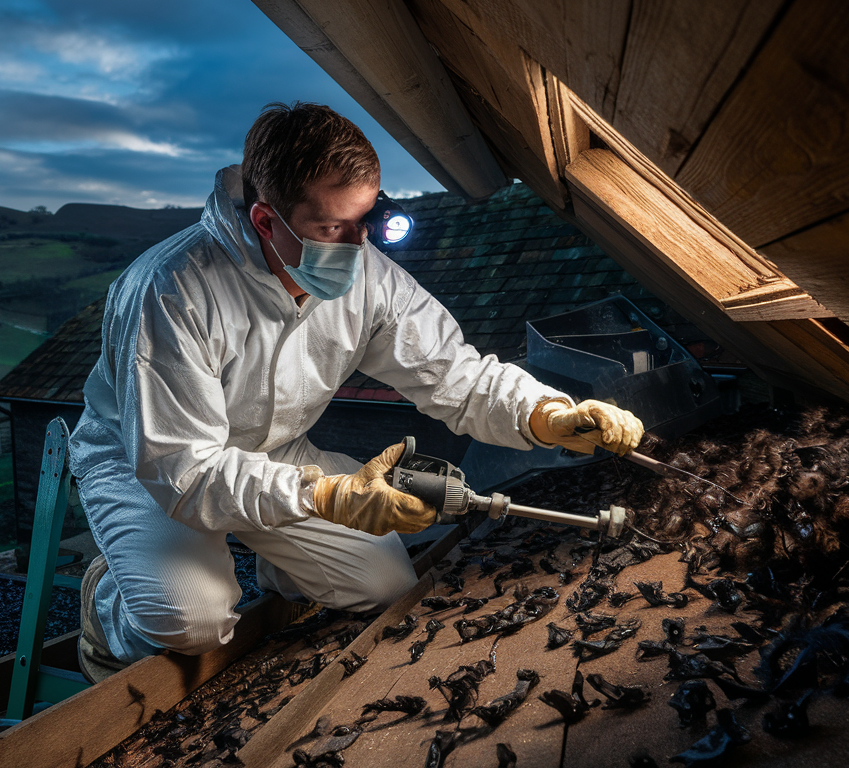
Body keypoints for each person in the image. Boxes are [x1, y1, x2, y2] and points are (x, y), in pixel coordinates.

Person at [68, 102, 643, 682]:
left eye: (365, 219)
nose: (355, 245)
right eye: (330, 229)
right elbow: (186, 470)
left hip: (276, 452)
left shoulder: (368, 274)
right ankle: (107, 603)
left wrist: (548, 413)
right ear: (266, 220)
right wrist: (328, 496)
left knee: (385, 584)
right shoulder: (172, 291)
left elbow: (453, 373)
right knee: (191, 623)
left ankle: (280, 564)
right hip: (149, 463)